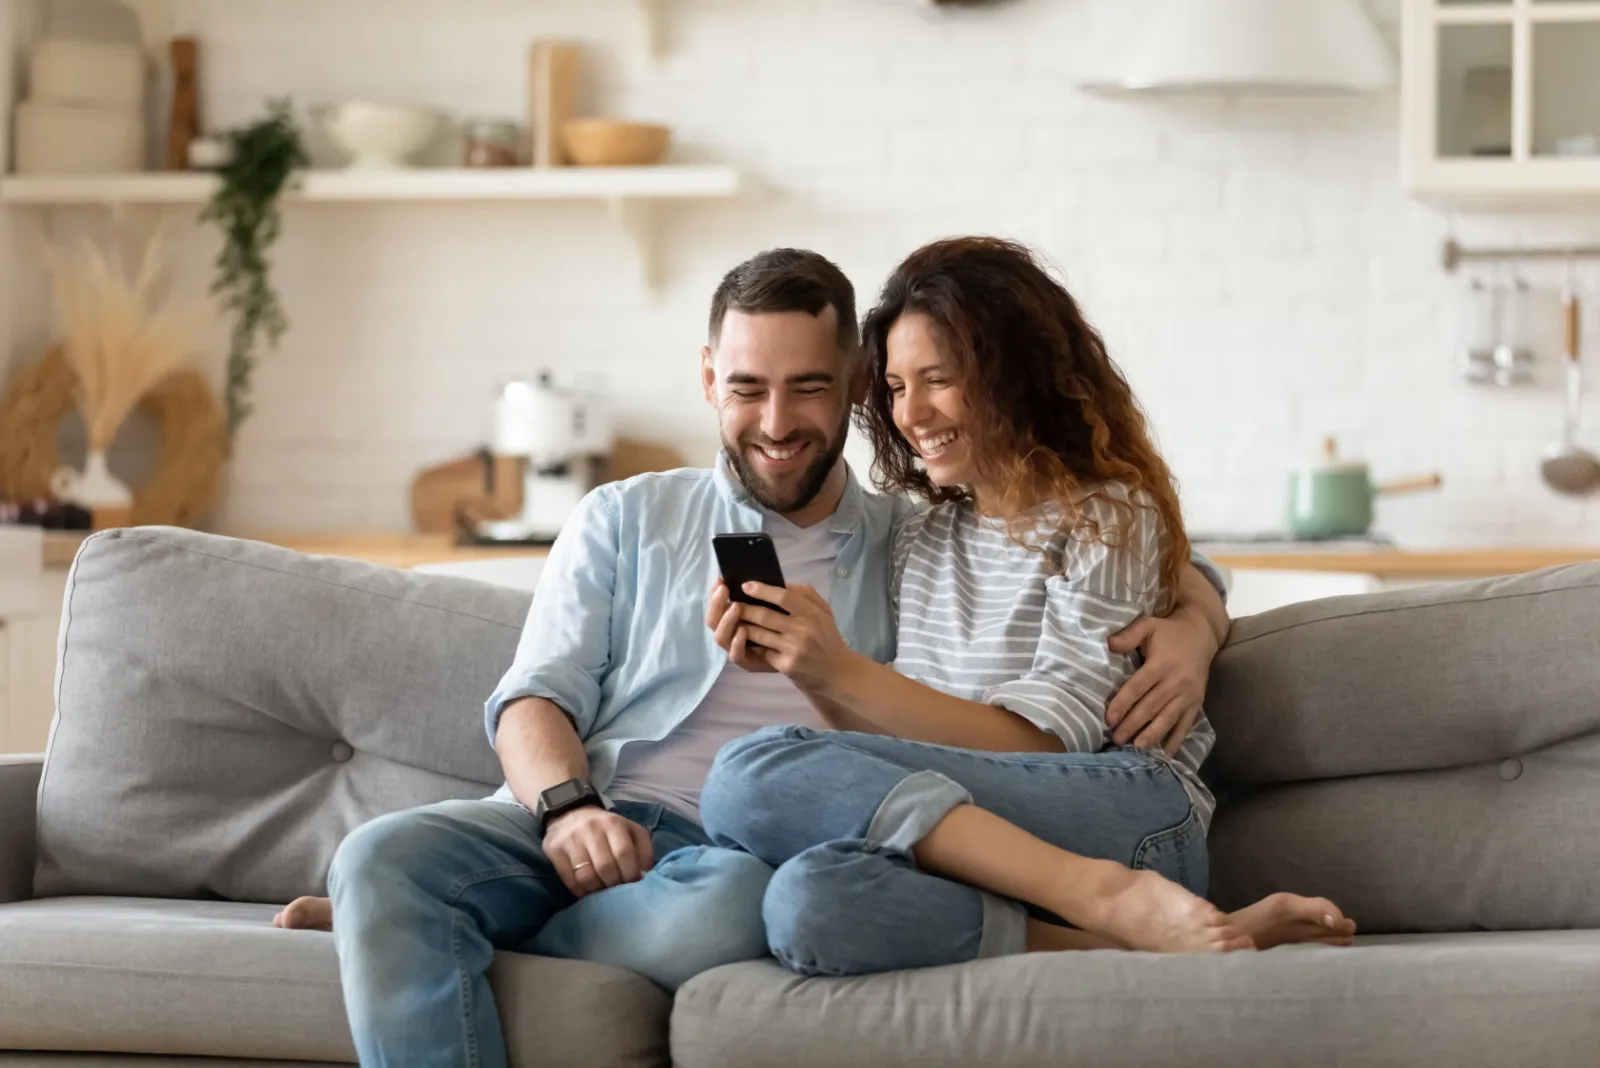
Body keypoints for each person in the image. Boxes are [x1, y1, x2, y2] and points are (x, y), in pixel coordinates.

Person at [274, 248, 1232, 1067]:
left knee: (737, 907)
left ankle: (432, 932)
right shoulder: (624, 517)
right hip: (580, 817)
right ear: (707, 380)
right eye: (747, 388)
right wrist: (568, 812)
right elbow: (533, 700)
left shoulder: (910, 531)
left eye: (810, 387)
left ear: (854, 384)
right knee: (381, 855)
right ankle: (408, 912)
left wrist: (1194, 625)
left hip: (729, 857)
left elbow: (1127, 543)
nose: (776, 422)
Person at [699, 237, 1357, 975]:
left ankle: (1107, 892)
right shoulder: (922, 537)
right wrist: (810, 674)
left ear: (1014, 375)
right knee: (806, 903)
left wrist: (842, 672)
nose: (911, 413)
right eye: (893, 387)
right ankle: (1131, 934)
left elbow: (1044, 746)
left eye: (938, 379)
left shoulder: (1105, 517)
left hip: (1125, 814)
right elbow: (914, 752)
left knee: (744, 774)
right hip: (992, 836)